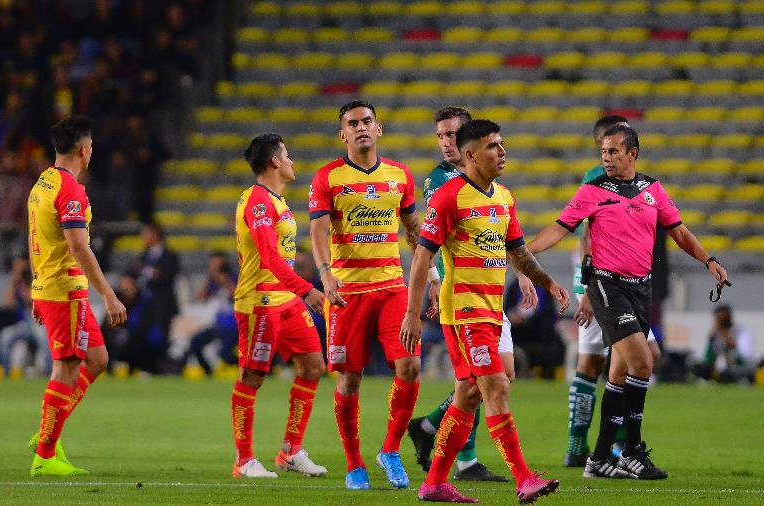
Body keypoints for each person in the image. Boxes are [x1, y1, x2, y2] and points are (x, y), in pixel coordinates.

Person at [527, 124, 728, 480]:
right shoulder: (592, 191)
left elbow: (679, 231)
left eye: (614, 152)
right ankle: (633, 451)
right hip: (607, 287)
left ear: (632, 153)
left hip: (641, 289)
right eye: (604, 152)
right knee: (644, 360)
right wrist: (523, 252)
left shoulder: (653, 189)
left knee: (619, 372)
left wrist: (708, 260)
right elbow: (560, 228)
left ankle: (600, 457)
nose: (607, 158)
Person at [400, 119, 568, 503]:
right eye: (493, 146)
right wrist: (412, 312)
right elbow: (422, 256)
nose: (502, 151)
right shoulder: (449, 197)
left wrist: (548, 283)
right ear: (471, 154)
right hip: (463, 313)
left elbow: (519, 253)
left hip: (492, 313)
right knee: (497, 386)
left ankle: (435, 483)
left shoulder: (503, 198)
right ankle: (524, 478)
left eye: (503, 144)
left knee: (468, 397)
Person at [309, 101, 421, 490]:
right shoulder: (327, 177)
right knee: (350, 380)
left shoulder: (400, 175)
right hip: (348, 294)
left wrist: (433, 275)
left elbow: (414, 232)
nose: (361, 128)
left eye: (367, 121)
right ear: (342, 134)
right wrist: (326, 274)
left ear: (379, 128)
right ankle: (354, 464)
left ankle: (390, 450)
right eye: (352, 124)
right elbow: (318, 233)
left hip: (392, 288)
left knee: (410, 366)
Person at [27, 115, 128, 476]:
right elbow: (78, 248)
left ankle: (45, 434)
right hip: (65, 289)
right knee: (68, 366)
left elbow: (34, 237)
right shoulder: (70, 190)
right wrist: (109, 295)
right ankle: (46, 454)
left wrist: (36, 286)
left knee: (97, 359)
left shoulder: (42, 183)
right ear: (84, 150)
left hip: (53, 286)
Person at [564, 115, 662, 467]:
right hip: (597, 278)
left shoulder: (639, 185)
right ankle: (581, 447)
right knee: (594, 361)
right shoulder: (596, 180)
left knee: (632, 360)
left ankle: (610, 446)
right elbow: (587, 235)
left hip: (621, 280)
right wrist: (587, 289)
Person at [229, 133, 328, 479]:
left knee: (313, 365)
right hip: (259, 301)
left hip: (284, 298)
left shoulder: (277, 200)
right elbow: (270, 256)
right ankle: (243, 460)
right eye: (286, 155)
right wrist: (308, 290)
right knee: (252, 377)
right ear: (274, 161)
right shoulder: (258, 202)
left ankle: (291, 450)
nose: (290, 161)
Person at [132, 221, 179, 373]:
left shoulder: (169, 255)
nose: (143, 237)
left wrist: (148, 272)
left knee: (163, 337)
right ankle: (145, 366)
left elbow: (165, 275)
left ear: (155, 235)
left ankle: (162, 367)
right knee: (140, 334)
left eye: (146, 234)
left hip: (162, 304)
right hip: (145, 303)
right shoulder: (143, 255)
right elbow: (134, 272)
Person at [181, 251, 238, 376]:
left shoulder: (234, 277)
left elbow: (238, 296)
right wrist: (209, 278)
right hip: (216, 324)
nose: (213, 265)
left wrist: (226, 281)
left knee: (225, 354)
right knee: (195, 343)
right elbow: (200, 296)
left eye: (216, 262)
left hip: (233, 325)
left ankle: (253, 367)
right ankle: (208, 372)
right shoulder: (212, 281)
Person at [692, 305, 753, 383]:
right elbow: (706, 359)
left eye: (724, 318)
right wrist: (711, 340)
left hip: (736, 368)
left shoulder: (741, 332)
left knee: (727, 374)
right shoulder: (713, 334)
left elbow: (745, 359)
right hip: (718, 368)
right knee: (699, 368)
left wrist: (728, 339)